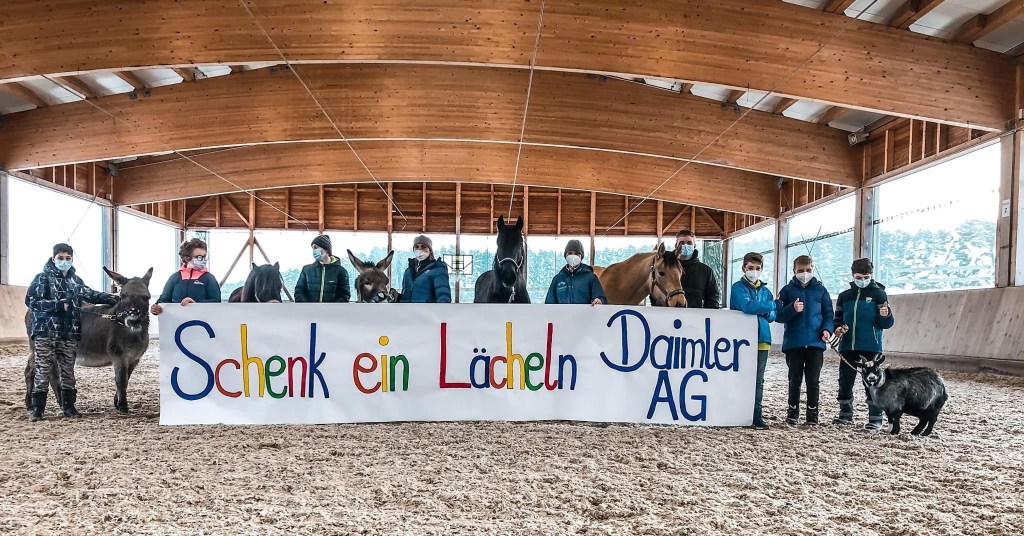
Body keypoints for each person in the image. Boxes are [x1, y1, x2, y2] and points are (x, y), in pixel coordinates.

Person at [25, 243, 119, 421]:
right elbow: (32, 301)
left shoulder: (75, 281)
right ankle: (37, 408)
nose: (64, 261)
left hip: (69, 333)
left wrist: (114, 299)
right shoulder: (42, 278)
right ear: (53, 259)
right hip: (46, 332)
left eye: (68, 258)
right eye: (60, 258)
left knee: (67, 371)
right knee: (43, 369)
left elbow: (91, 295)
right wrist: (58, 305)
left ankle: (68, 406)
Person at [833, 257, 894, 431]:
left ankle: (875, 418)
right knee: (845, 381)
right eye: (859, 277)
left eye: (866, 277)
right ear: (853, 275)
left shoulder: (879, 294)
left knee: (872, 382)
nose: (862, 280)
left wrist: (886, 315)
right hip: (847, 346)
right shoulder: (844, 296)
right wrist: (838, 329)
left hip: (871, 347)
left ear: (871, 275)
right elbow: (837, 320)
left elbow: (887, 324)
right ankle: (845, 414)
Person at [775, 255, 833, 426]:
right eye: (801, 270)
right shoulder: (786, 291)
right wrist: (792, 309)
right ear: (794, 271)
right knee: (794, 379)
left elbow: (828, 314)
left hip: (816, 343)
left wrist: (827, 330)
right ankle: (792, 411)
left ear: (813, 269)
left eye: (808, 270)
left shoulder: (821, 291)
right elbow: (778, 315)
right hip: (794, 343)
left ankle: (812, 413)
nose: (804, 274)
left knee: (813, 380)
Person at [729, 252, 777, 430]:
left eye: (757, 268)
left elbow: (772, 316)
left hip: (762, 339)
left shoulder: (766, 291)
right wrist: (770, 305)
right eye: (750, 268)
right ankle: (737, 411)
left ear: (762, 269)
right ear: (744, 268)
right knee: (740, 375)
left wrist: (766, 309)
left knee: (758, 380)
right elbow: (747, 307)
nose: (754, 271)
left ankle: (756, 414)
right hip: (741, 339)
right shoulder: (737, 288)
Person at [151, 238, 222, 315]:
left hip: (202, 320)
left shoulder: (209, 278)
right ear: (187, 258)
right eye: (199, 257)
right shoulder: (174, 278)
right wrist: (156, 308)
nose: (203, 260)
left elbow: (216, 302)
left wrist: (195, 304)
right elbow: (163, 301)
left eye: (204, 256)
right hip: (176, 321)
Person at [544, 239, 606, 305]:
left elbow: (601, 298)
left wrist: (599, 301)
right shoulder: (557, 279)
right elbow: (549, 303)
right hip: (562, 312)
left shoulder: (590, 277)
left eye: (577, 254)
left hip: (584, 312)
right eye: (570, 253)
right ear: (565, 255)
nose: (573, 256)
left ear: (581, 257)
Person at [295, 234, 351, 303]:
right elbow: (299, 291)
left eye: (316, 247)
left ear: (326, 249)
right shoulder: (306, 270)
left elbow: (344, 295)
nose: (314, 251)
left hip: (332, 310)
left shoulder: (341, 272)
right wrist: (308, 307)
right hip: (308, 310)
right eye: (313, 248)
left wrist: (331, 308)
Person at [397, 235, 451, 303]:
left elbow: (443, 296)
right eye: (416, 247)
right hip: (408, 309)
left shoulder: (437, 269)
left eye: (423, 246)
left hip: (427, 309)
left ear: (430, 250)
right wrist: (397, 298)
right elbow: (406, 295)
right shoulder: (408, 271)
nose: (419, 249)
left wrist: (442, 308)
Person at [675, 229, 720, 309]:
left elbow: (713, 296)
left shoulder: (705, 271)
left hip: (698, 314)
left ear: (694, 246)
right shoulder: (667, 269)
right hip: (671, 314)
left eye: (689, 243)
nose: (685, 246)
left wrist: (712, 313)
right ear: (676, 246)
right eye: (682, 243)